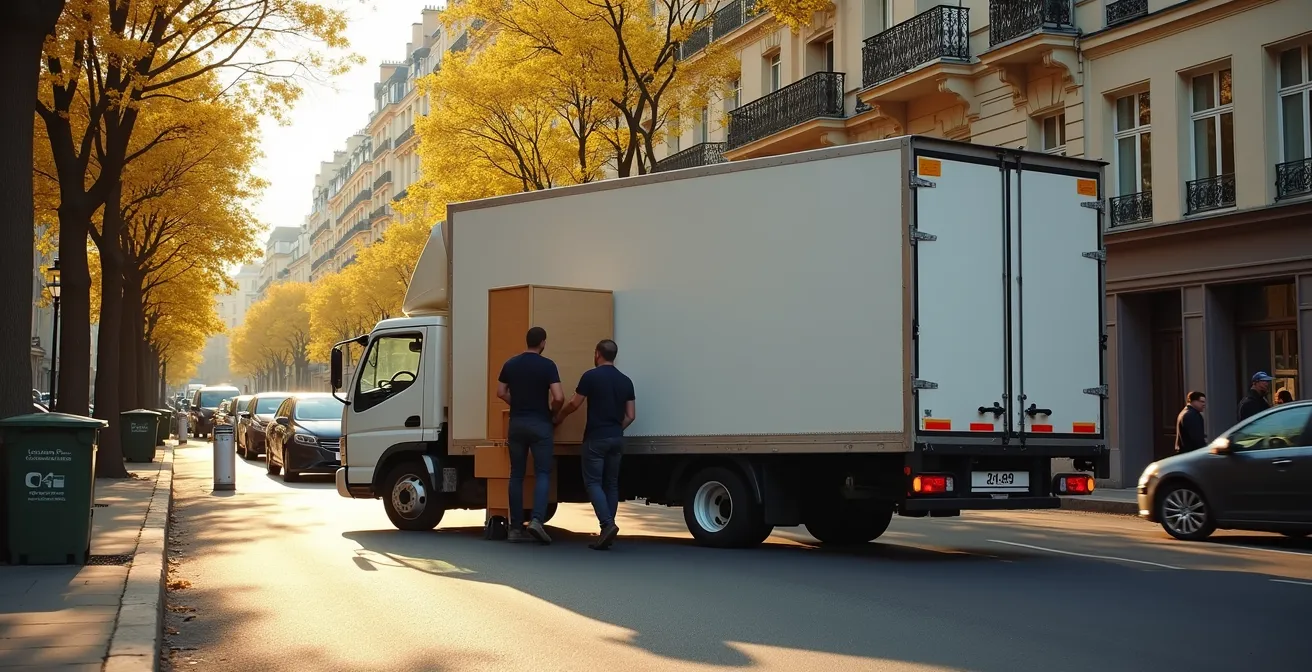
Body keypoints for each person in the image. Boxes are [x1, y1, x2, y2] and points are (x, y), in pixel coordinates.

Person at [554, 339, 635, 551]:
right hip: (616, 437)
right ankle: (607, 529)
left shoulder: (591, 376)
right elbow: (631, 415)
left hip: (596, 438)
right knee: (611, 484)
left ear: (598, 354)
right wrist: (617, 428)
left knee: (593, 483)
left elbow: (574, 403)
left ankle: (607, 524)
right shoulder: (626, 381)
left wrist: (559, 417)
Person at [496, 326, 564, 544]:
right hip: (541, 424)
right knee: (543, 473)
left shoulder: (511, 364)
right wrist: (553, 414)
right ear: (542, 343)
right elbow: (559, 396)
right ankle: (536, 521)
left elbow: (500, 392)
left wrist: (516, 403)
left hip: (516, 424)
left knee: (516, 474)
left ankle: (515, 528)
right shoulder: (548, 365)